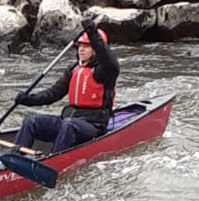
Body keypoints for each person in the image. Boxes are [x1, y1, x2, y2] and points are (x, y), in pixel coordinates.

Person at [10, 18, 119, 154]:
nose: (81, 49)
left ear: (96, 49)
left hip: (93, 126)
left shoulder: (105, 71)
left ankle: (53, 159)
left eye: (86, 46)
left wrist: (93, 34)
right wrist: (29, 100)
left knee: (69, 125)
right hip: (68, 121)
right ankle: (14, 158)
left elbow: (109, 61)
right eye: (80, 45)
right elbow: (53, 93)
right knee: (31, 121)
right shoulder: (74, 69)